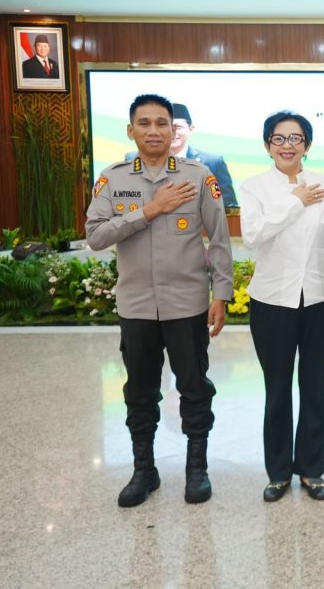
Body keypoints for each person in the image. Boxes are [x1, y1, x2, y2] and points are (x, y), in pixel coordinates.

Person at [85, 93, 232, 508]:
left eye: (162, 123)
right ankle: (144, 471)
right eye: (144, 123)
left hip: (187, 304)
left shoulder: (198, 175)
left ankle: (196, 469)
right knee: (140, 392)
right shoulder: (112, 178)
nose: (154, 131)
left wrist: (221, 294)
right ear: (130, 130)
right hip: (136, 307)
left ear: (173, 130)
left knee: (194, 388)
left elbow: (219, 239)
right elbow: (95, 236)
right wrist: (149, 210)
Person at [240, 111, 324, 503]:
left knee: (315, 386)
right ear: (267, 145)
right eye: (279, 138)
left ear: (307, 145)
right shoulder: (254, 187)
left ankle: (311, 468)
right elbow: (253, 235)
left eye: (295, 138)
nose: (287, 145)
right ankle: (277, 472)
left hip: (320, 297)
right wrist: (295, 201)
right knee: (277, 389)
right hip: (273, 300)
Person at [127, 103, 237, 207]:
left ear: (191, 129)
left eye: (178, 127)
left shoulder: (213, 162)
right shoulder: (133, 158)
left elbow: (229, 206)